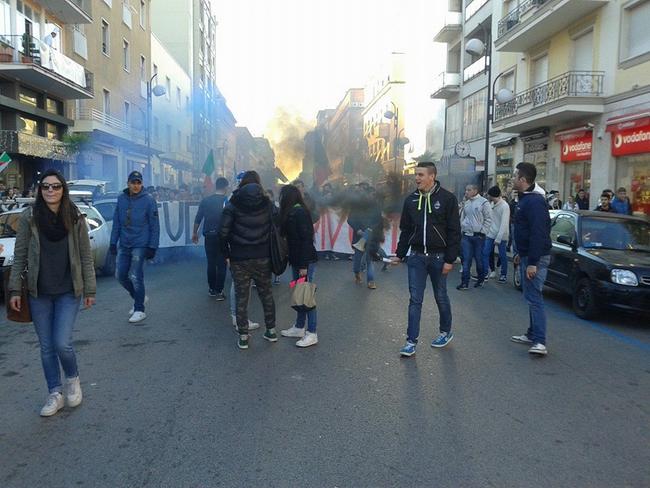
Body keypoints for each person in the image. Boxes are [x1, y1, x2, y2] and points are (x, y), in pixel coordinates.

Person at [9, 170, 96, 416]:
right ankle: (55, 393)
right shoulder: (29, 217)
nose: (50, 191)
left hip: (69, 291)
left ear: (63, 190)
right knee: (46, 347)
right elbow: (20, 255)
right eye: (45, 187)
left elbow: (86, 256)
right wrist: (15, 288)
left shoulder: (75, 217)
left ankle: (72, 378)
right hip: (40, 292)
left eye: (56, 186)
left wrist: (90, 289)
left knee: (62, 343)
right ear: (40, 190)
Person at [391, 162, 460, 357]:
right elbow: (406, 230)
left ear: (432, 176)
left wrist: (450, 259)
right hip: (416, 258)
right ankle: (410, 342)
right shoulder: (410, 200)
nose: (417, 178)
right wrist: (400, 253)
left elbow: (454, 232)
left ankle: (445, 332)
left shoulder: (448, 199)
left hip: (439, 258)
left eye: (421, 175)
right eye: (416, 175)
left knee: (441, 297)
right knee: (415, 300)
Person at [219, 170, 277, 350]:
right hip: (263, 256)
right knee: (266, 294)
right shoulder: (267, 203)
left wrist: (226, 254)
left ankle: (243, 336)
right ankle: (271, 331)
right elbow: (278, 225)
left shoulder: (232, 203)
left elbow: (223, 233)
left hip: (239, 258)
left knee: (242, 297)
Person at [510, 162, 552, 356]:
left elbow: (538, 233)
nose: (512, 179)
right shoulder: (525, 199)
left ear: (523, 180)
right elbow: (525, 231)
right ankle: (531, 334)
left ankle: (540, 342)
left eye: (514, 176)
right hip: (528, 255)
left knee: (535, 298)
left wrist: (533, 262)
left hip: (537, 257)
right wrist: (521, 253)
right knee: (530, 297)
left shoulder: (534, 202)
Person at [109, 170, 160, 324]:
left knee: (136, 276)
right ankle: (140, 298)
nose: (136, 185)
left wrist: (152, 247)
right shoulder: (121, 199)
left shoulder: (149, 200)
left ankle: (139, 309)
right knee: (120, 275)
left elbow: (154, 225)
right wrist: (113, 242)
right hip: (125, 243)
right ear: (128, 183)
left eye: (139, 182)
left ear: (142, 184)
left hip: (141, 243)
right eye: (133, 182)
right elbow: (117, 222)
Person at [278, 184, 319, 347]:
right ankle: (299, 327)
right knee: (299, 293)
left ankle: (312, 332)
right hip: (298, 260)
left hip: (304, 261)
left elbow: (306, 239)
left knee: (306, 296)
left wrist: (303, 265)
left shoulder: (299, 212)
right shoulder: (295, 211)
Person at [192, 176, 229, 300]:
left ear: (215, 187)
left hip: (209, 235)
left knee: (211, 263)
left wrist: (194, 233)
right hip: (223, 237)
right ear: (225, 187)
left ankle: (212, 289)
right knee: (222, 264)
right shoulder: (227, 201)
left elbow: (198, 218)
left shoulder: (206, 201)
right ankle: (219, 291)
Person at [457, 184, 492, 290]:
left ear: (475, 190)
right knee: (466, 260)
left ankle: (481, 279)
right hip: (466, 235)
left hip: (478, 236)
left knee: (478, 259)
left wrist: (483, 232)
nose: (466, 192)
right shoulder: (466, 203)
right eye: (466, 190)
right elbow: (462, 217)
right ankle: (464, 283)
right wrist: (462, 228)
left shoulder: (484, 202)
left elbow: (488, 218)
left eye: (469, 190)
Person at [348, 184, 382, 289]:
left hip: (371, 236)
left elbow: (378, 220)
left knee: (369, 259)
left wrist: (372, 229)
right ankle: (357, 273)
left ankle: (371, 280)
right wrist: (358, 229)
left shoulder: (376, 206)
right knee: (357, 259)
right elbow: (350, 219)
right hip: (359, 236)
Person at [483, 186, 510, 283]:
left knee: (502, 255)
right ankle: (485, 273)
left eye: (489, 195)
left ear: (492, 195)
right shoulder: (491, 204)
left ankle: (503, 274)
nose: (488, 197)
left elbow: (504, 223)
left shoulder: (504, 206)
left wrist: (498, 238)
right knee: (485, 253)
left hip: (502, 235)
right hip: (490, 233)